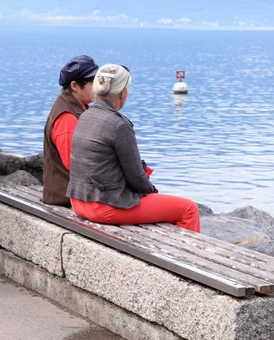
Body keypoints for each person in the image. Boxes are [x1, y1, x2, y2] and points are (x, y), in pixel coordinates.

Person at [66, 64, 200, 232]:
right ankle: (184, 257)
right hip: (104, 206)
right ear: (123, 92)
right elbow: (137, 178)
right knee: (188, 209)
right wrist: (153, 192)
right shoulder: (119, 125)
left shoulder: (85, 116)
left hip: (78, 201)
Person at [42, 55, 99, 206]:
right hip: (66, 197)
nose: (98, 87)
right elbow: (74, 164)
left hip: (74, 193)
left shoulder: (77, 106)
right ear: (74, 86)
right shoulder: (67, 117)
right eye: (92, 82)